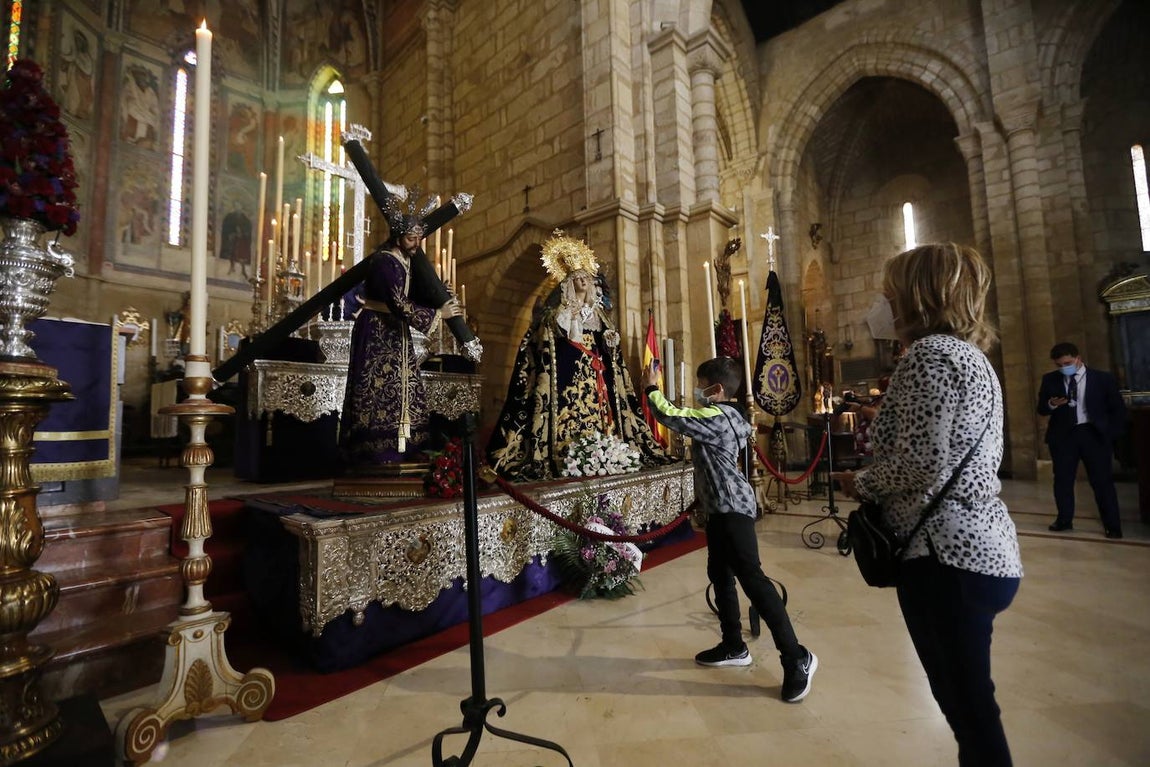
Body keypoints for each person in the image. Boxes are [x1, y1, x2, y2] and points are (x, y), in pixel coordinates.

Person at [835, 243, 1022, 767]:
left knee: (971, 713)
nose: (883, 304)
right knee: (970, 705)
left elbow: (921, 463)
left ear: (918, 298)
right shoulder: (970, 358)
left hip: (944, 552)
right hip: (980, 548)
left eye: (890, 294)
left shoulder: (929, 356)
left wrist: (861, 482)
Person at [642, 356, 817, 703]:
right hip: (722, 509)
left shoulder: (717, 416)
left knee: (753, 581)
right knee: (720, 574)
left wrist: (650, 386)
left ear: (716, 389)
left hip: (733, 510)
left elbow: (672, 416)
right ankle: (734, 645)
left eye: (701, 384)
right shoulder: (734, 415)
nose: (697, 392)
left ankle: (797, 657)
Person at [486, 230, 669, 480]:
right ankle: (572, 453)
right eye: (577, 277)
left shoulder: (599, 314)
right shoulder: (560, 313)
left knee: (601, 413)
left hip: (597, 378)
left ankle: (607, 450)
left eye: (586, 276)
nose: (583, 279)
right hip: (569, 378)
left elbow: (607, 343)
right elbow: (557, 339)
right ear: (568, 283)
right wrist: (570, 317)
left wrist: (610, 342)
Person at [337, 212, 462, 471]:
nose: (415, 243)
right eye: (410, 238)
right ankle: (377, 452)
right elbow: (397, 302)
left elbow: (412, 296)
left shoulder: (405, 261)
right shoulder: (384, 261)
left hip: (396, 332)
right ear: (397, 236)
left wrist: (439, 295)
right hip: (376, 332)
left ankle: (406, 447)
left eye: (418, 238)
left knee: (406, 387)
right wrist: (439, 314)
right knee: (378, 390)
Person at [1036, 341, 1128, 538]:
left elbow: (1117, 409)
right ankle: (1064, 520)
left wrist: (1110, 434)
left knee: (1102, 481)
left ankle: (1112, 525)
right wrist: (1051, 404)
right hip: (1063, 437)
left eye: (1067, 363)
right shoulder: (1050, 379)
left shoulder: (1102, 379)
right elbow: (1042, 408)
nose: (1063, 368)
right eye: (1059, 365)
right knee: (1062, 480)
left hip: (1093, 434)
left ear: (1078, 358)